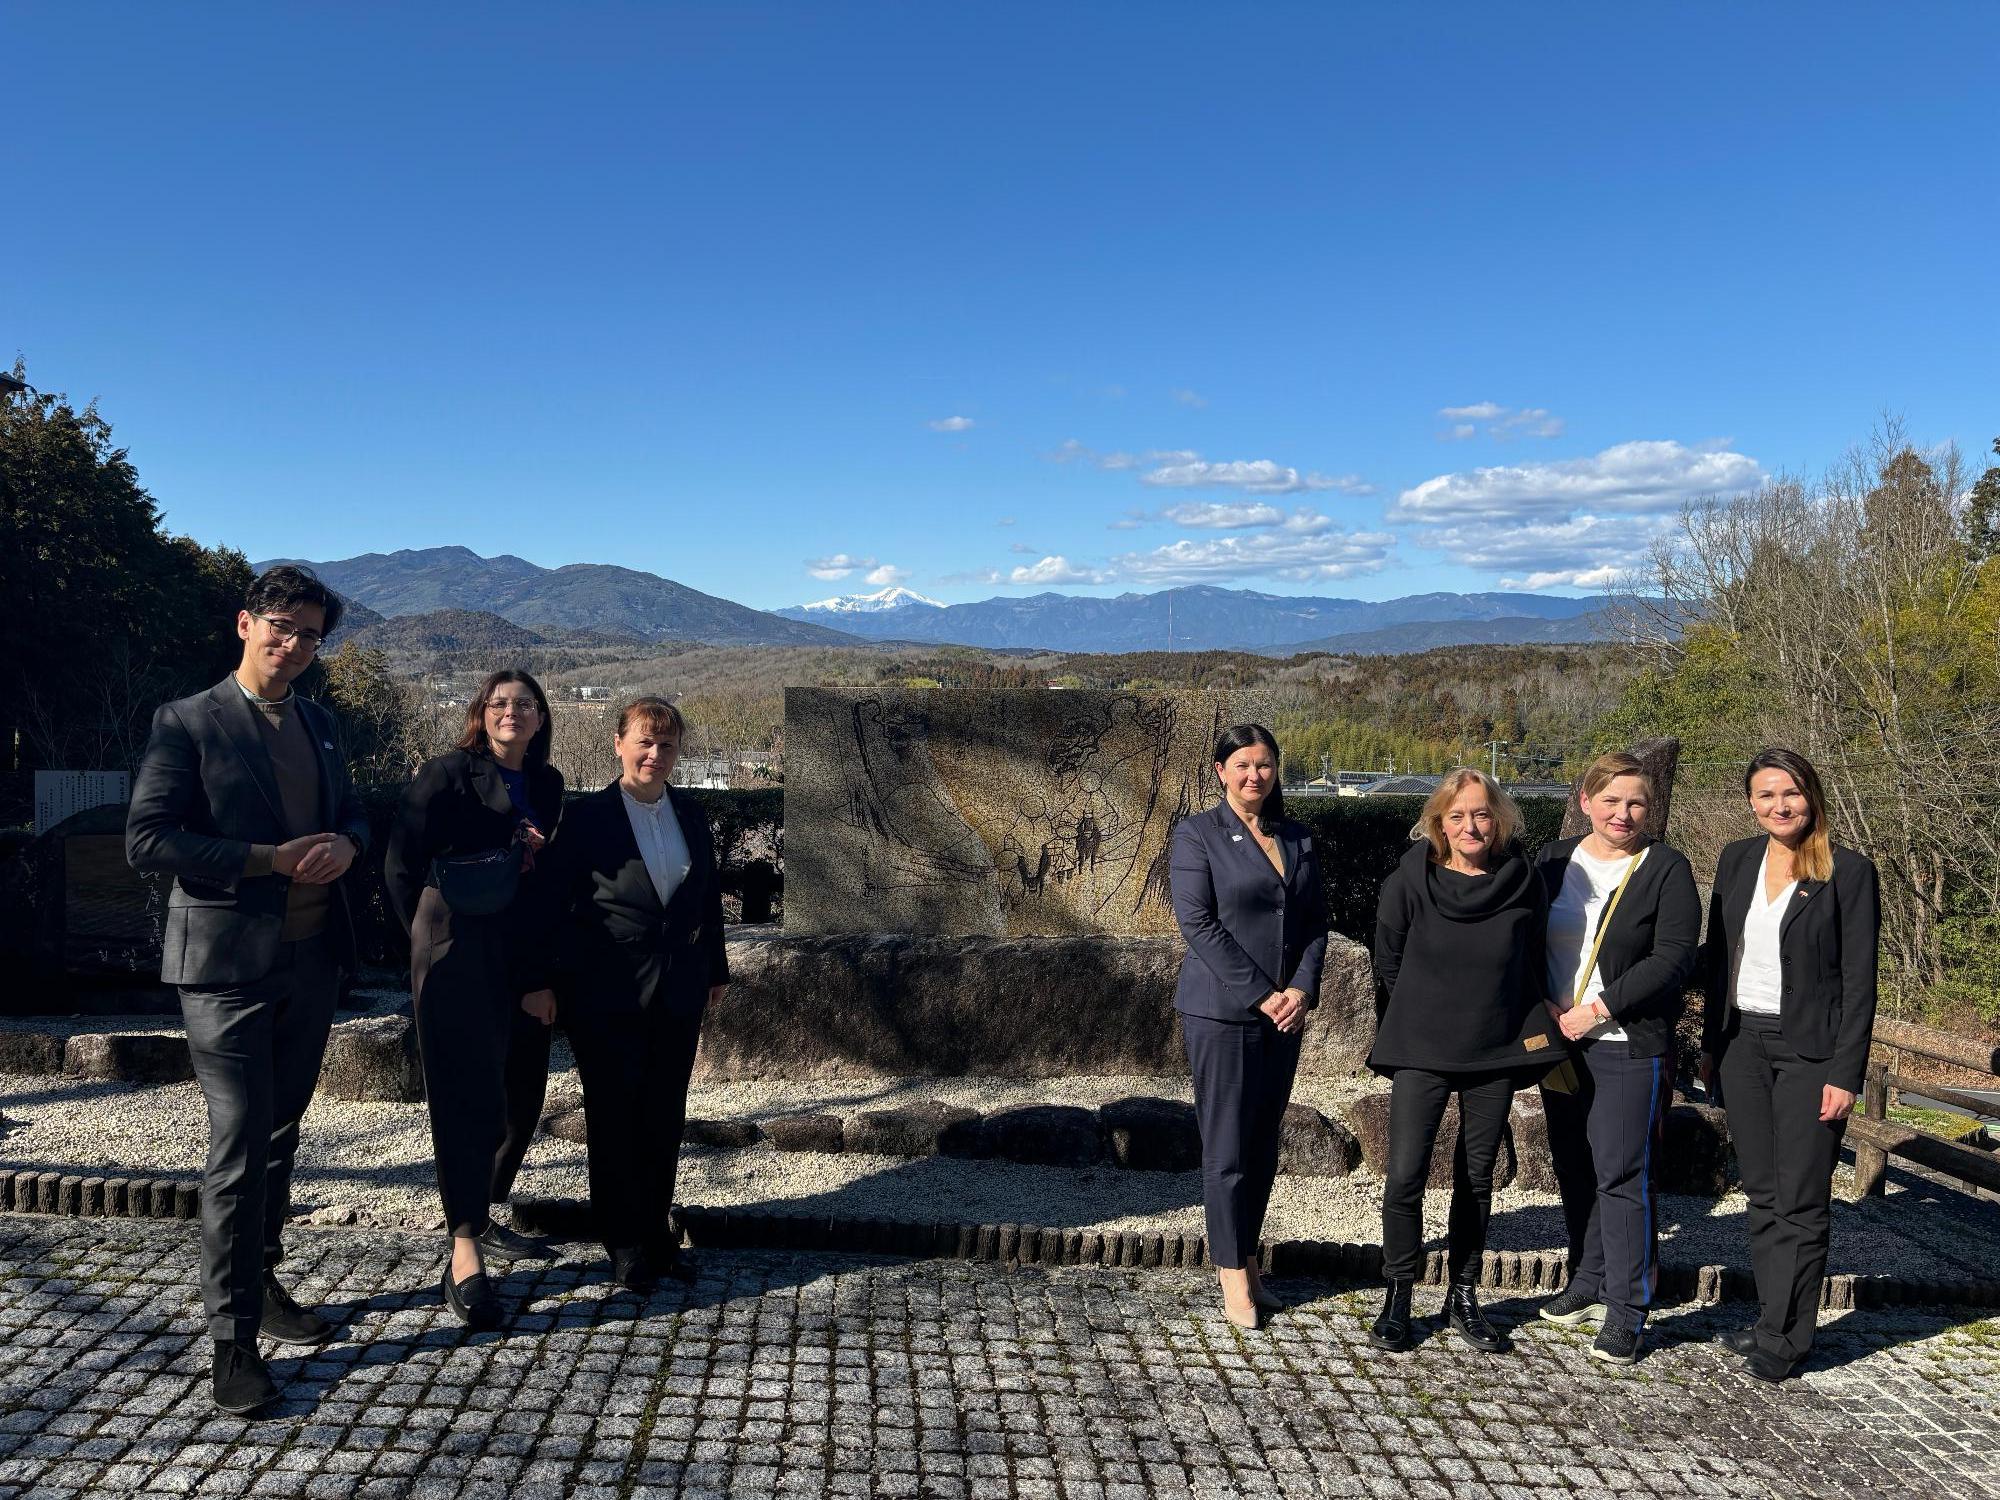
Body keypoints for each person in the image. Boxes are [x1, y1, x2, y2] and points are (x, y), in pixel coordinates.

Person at [125, 565, 370, 1414]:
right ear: (244, 624)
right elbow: (149, 839)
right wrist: (269, 860)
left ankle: (261, 1283)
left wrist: (347, 841)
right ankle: (232, 1344)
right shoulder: (188, 721)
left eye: (310, 634)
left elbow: (358, 813)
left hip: (311, 960)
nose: (295, 645)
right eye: (282, 626)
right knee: (236, 1147)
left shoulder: (322, 725)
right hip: (224, 969)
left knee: (279, 1134)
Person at [521, 697, 729, 1292]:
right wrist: (540, 980)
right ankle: (624, 1242)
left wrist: (712, 970)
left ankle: (658, 1234)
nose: (654, 754)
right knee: (614, 1118)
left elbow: (706, 896)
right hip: (605, 988)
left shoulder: (690, 813)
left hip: (679, 988)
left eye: (666, 745)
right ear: (618, 744)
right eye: (644, 741)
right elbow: (551, 905)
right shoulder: (587, 818)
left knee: (664, 1115)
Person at [383, 669, 564, 1329]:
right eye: (499, 702)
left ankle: (484, 1208)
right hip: (455, 946)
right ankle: (463, 1247)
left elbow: (546, 886)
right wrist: (428, 939)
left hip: (520, 951)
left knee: (522, 1095)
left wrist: (542, 973)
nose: (510, 711)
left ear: (541, 718)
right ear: (481, 714)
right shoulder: (446, 773)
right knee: (466, 1098)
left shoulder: (548, 785)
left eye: (524, 704)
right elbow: (399, 866)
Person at [1700, 747, 1879, 1381]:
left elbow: (1860, 983)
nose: (1780, 806)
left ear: (1813, 797)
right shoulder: (1737, 859)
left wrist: (1844, 1073)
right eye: (1766, 795)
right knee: (1763, 1192)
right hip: (1743, 1044)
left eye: (1791, 793)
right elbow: (1717, 956)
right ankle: (1770, 1320)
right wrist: (1708, 1045)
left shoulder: (1849, 873)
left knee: (1802, 1199)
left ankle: (1789, 1341)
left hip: (1811, 1054)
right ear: (1751, 802)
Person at [1368, 767, 1560, 1354]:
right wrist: (1423, 1015)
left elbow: (1532, 959)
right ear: (1439, 824)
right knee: (1405, 1173)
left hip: (1494, 1049)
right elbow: (1388, 962)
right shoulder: (1409, 881)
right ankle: (1398, 1293)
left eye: (1480, 814)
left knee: (1477, 1178)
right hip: (1422, 1047)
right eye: (1457, 816)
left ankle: (1464, 1295)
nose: (1470, 825)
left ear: (1497, 820)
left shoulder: (1524, 882)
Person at [1533, 752, 1701, 1365]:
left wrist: (1597, 1010)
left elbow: (1674, 957)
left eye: (1635, 802)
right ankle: (1587, 1273)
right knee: (1575, 1165)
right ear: (1585, 803)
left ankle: (1629, 1308)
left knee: (1623, 1172)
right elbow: (1521, 933)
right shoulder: (1553, 863)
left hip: (1627, 1043)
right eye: (1610, 801)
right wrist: (1541, 1008)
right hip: (1559, 1041)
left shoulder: (1665, 869)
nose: (1623, 813)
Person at [1168, 723, 1328, 1330]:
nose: (1254, 775)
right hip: (1223, 1012)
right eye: (1242, 765)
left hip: (1286, 1013)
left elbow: (1314, 920)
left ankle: (1251, 1259)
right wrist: (1263, 993)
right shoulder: (1198, 835)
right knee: (1228, 1145)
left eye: (1264, 765)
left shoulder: (1298, 836)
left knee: (1262, 1145)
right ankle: (1231, 1271)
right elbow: (1198, 924)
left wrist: (1300, 990)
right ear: (1220, 771)